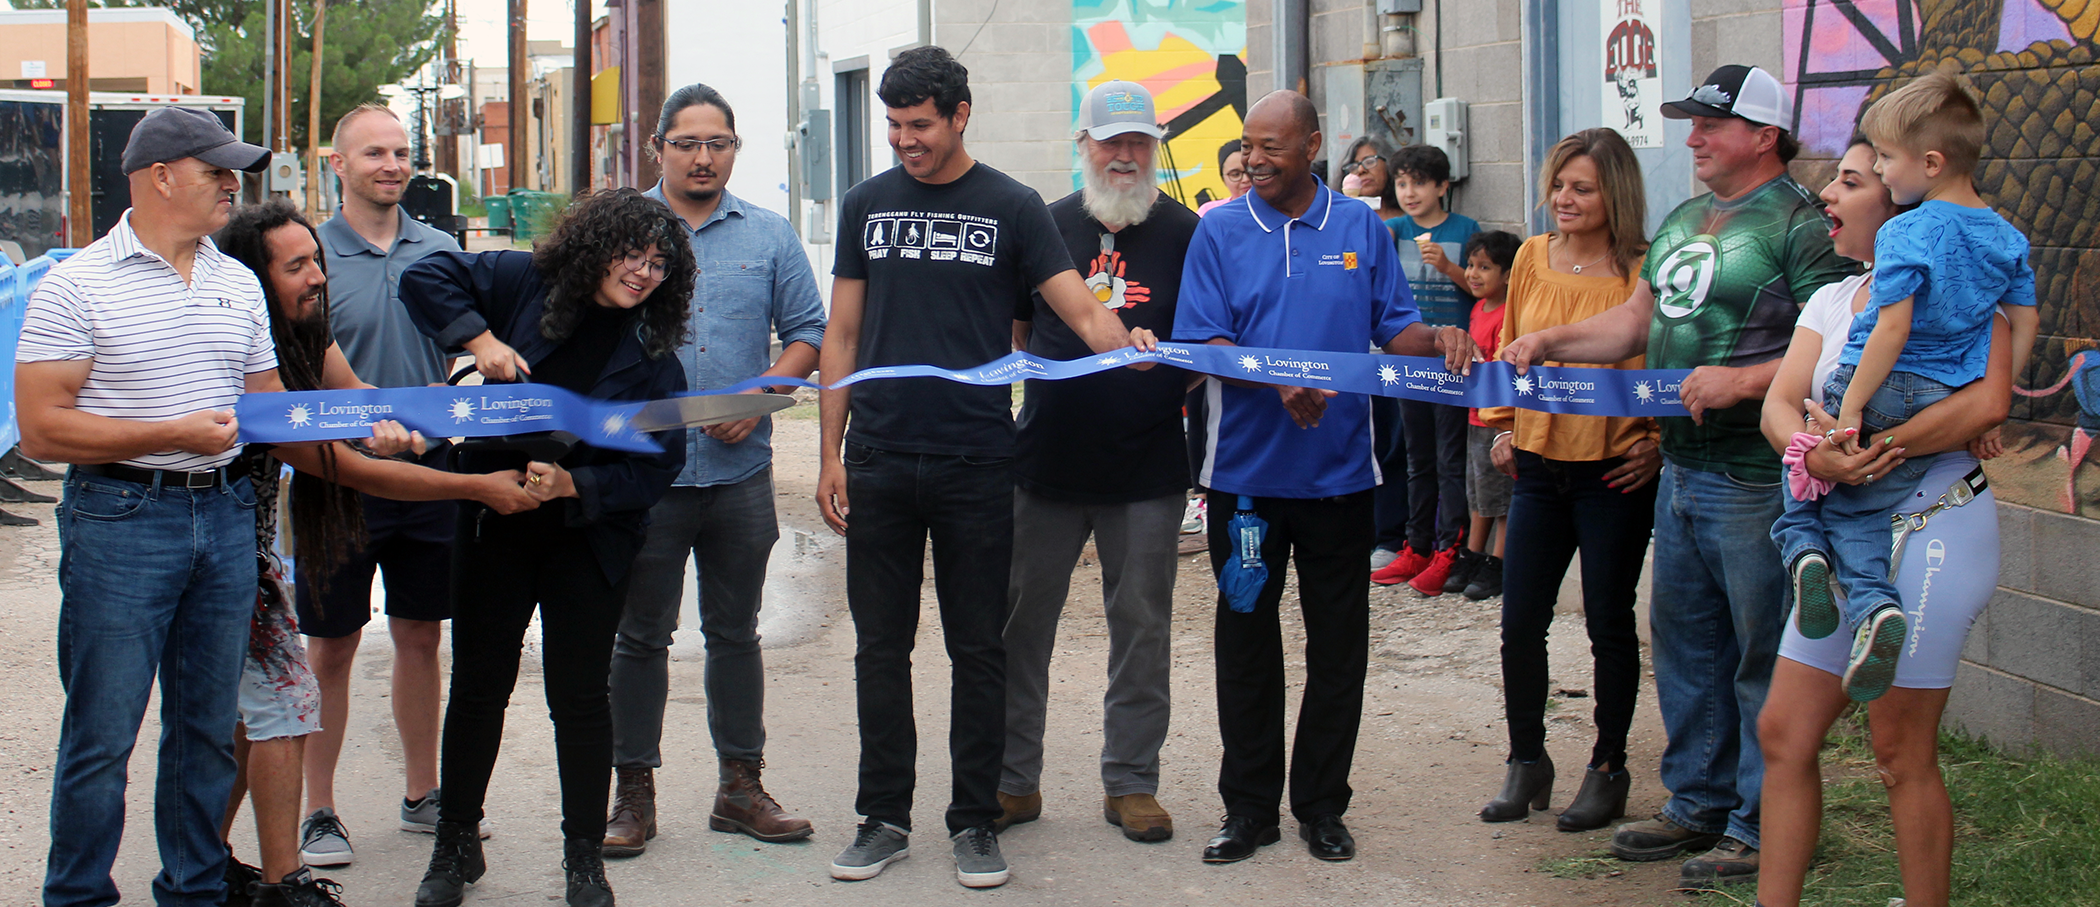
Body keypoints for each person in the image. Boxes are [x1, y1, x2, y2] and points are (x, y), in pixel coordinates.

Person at [1497, 65, 1859, 889]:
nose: (1692, 137)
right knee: (1689, 643)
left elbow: (1840, 340)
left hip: (1756, 473)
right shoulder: (1687, 218)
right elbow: (1637, 320)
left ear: (1763, 135)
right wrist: (1552, 342)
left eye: (1710, 125)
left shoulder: (1801, 226)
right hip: (1684, 471)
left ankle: (1759, 821)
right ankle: (1696, 799)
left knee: (1759, 651)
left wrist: (1738, 381)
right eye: (1691, 123)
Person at [815, 46, 1154, 890]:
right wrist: (829, 451)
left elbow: (1077, 306)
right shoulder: (866, 204)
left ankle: (974, 820)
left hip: (976, 461)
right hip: (881, 457)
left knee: (979, 647)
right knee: (879, 648)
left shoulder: (1011, 206)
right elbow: (843, 336)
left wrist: (1131, 346)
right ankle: (883, 816)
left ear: (960, 115)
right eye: (893, 126)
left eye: (919, 125)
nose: (904, 142)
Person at [12, 106, 330, 907]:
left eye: (233, 171)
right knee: (103, 734)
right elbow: (45, 428)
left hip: (223, 518)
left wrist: (373, 430)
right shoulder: (76, 283)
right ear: (161, 177)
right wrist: (172, 432)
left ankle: (192, 891)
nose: (232, 185)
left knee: (204, 733)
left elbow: (266, 410)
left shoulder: (235, 282)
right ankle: (78, 895)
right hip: (119, 516)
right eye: (216, 171)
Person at [213, 198, 538, 907]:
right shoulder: (240, 340)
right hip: (209, 549)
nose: (316, 277)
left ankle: (231, 866)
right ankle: (249, 868)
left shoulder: (307, 330)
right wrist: (478, 485)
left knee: (263, 710)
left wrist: (411, 418)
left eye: (317, 262)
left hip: (248, 555)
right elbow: (343, 462)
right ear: (253, 278)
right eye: (297, 266)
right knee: (270, 704)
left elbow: (361, 403)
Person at [1175, 89, 1447, 866]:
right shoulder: (1220, 229)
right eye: (1247, 146)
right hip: (1246, 483)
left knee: (1338, 650)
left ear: (1314, 147)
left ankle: (1323, 806)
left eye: (1273, 147)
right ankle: (1249, 808)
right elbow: (1206, 342)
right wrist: (1274, 379)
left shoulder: (1360, 225)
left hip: (1339, 480)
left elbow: (1394, 327)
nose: (1254, 160)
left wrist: (1442, 336)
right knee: (1247, 642)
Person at [400, 188, 691, 907]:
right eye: (632, 254)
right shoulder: (518, 280)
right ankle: (454, 845)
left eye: (660, 264)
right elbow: (423, 278)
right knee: (477, 686)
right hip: (493, 516)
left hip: (586, 536)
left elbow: (659, 462)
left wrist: (575, 488)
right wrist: (481, 340)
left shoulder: (654, 351)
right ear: (597, 244)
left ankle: (583, 857)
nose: (644, 273)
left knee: (581, 697)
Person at [1755, 136, 2015, 907]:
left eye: (1849, 181)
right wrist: (1816, 455)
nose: (1827, 196)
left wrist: (1867, 446)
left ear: (1897, 201)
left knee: (1900, 747)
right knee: (1783, 732)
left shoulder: (1967, 295)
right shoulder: (1830, 299)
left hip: (1936, 520)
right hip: (1839, 532)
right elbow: (1779, 400)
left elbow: (1987, 405)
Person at [604, 83, 827, 858]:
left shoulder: (768, 236)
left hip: (737, 473)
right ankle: (632, 790)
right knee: (639, 636)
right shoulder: (618, 233)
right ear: (657, 147)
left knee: (736, 631)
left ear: (735, 150)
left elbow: (808, 334)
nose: (704, 157)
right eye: (688, 143)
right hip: (644, 476)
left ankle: (740, 785)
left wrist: (765, 392)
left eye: (719, 144)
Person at [1767, 72, 2036, 703]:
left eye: (1884, 159)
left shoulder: (1907, 232)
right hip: (1946, 392)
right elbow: (2024, 320)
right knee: (1861, 503)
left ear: (1932, 163)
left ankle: (1809, 556)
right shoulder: (2005, 237)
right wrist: (1994, 412)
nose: (1884, 173)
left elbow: (1891, 326)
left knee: (1813, 479)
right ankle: (1871, 612)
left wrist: (1851, 409)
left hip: (1881, 385)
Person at [995, 80, 1197, 845]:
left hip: (1147, 466)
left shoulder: (1186, 232)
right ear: (1081, 145)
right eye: (1110, 141)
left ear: (1155, 148)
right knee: (1020, 626)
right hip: (1044, 461)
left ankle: (1131, 782)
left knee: (1142, 625)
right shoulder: (1042, 225)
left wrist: (1164, 361)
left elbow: (1207, 343)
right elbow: (1017, 332)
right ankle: (1015, 780)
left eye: (1138, 142)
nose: (1125, 155)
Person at [1445, 129, 1662, 832]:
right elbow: (1511, 345)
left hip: (1614, 472)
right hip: (1537, 467)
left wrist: (1657, 440)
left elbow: (1665, 358)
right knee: (1519, 623)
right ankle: (1526, 759)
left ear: (1616, 195)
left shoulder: (1645, 267)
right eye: (1559, 185)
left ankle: (1607, 767)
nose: (1564, 199)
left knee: (1608, 623)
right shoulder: (1532, 256)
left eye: (1583, 188)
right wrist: (1505, 425)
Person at [295, 102, 472, 871]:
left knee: (422, 635)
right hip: (336, 479)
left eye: (402, 152)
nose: (393, 165)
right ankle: (319, 809)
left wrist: (445, 423)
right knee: (329, 644)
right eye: (375, 153)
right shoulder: (305, 258)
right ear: (339, 165)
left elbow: (467, 353)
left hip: (430, 472)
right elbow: (292, 370)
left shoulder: (443, 249)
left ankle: (422, 794)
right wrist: (348, 432)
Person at [1371, 144, 1481, 594]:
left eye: (1419, 182)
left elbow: (1481, 286)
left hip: (1453, 364)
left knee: (1450, 460)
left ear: (1442, 187)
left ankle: (1447, 549)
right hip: (1406, 363)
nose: (1409, 191)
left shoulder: (1465, 229)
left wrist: (1450, 266)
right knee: (1415, 458)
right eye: (1401, 182)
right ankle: (1414, 545)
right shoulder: (1393, 230)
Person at [1445, 229, 1521, 599]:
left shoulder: (1509, 314)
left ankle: (1499, 562)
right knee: (1477, 492)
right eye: (1471, 265)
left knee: (1501, 494)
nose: (1473, 274)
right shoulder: (1477, 308)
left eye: (1485, 267)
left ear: (1507, 275)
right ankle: (1472, 554)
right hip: (1474, 415)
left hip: (1497, 420)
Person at [1338, 136, 1404, 221]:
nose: (1361, 170)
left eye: (1369, 162)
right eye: (1353, 167)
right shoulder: (1342, 219)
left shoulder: (1413, 215)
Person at [1196, 141, 1251, 217]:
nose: (1246, 179)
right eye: (1235, 174)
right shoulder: (1208, 212)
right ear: (1223, 179)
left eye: (1251, 171)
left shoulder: (1273, 210)